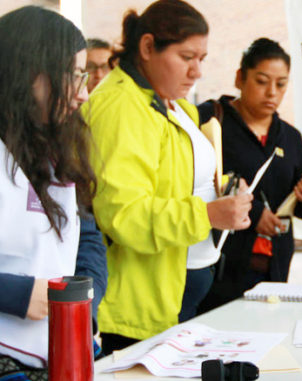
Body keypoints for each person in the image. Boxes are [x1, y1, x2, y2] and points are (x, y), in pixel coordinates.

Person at [82, 0, 252, 354]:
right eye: (186, 57)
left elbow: (179, 181)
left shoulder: (170, 102)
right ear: (147, 47)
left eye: (202, 59)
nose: (197, 72)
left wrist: (226, 189)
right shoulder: (121, 108)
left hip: (177, 296)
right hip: (138, 308)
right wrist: (208, 214)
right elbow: (123, 215)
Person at [0, 5, 97, 378]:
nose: (83, 94)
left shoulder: (56, 145)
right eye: (73, 76)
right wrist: (18, 296)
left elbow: (86, 234)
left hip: (60, 349)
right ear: (29, 74)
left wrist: (84, 300)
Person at [197, 38, 302, 312]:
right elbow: (194, 182)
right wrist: (254, 215)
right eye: (262, 81)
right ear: (240, 78)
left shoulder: (289, 137)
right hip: (216, 268)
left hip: (273, 270)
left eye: (281, 84)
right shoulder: (210, 120)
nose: (272, 93)